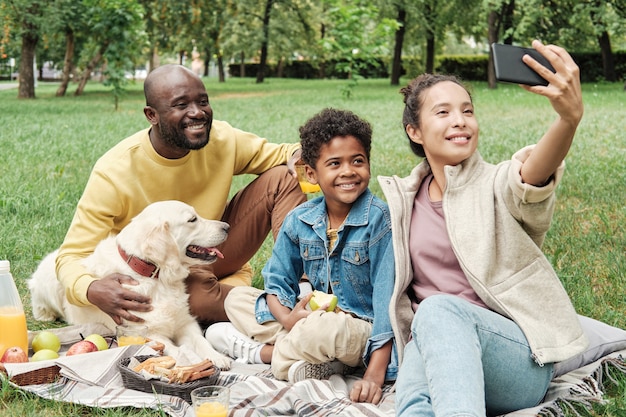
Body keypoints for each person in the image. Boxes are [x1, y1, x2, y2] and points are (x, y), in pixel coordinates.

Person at [378, 40, 588, 416]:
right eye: (442, 112)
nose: (460, 120)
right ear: (415, 132)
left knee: (440, 309)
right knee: (412, 403)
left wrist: (567, 120)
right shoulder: (405, 200)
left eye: (467, 111)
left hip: (517, 360)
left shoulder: (496, 183)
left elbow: (530, 173)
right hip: (436, 347)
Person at [55, 64, 307, 327]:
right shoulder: (114, 171)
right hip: (161, 273)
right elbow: (71, 256)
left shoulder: (223, 139)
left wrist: (301, 156)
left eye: (203, 102)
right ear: (152, 115)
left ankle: (303, 291)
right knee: (196, 303)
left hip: (212, 245)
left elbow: (287, 153)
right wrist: (91, 288)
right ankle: (275, 309)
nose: (197, 113)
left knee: (286, 176)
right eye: (181, 105)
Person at [205, 108, 397, 404]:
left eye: (357, 161)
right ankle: (321, 361)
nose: (348, 171)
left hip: (358, 328)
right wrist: (289, 318)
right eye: (334, 164)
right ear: (311, 172)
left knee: (322, 329)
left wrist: (374, 374)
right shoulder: (300, 220)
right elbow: (277, 281)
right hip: (309, 320)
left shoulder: (379, 220)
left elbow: (387, 304)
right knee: (237, 299)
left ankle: (263, 354)